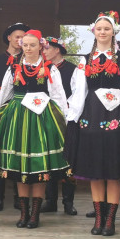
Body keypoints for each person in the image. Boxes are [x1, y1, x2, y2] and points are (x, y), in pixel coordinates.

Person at [65, 12, 120, 236]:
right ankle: (98, 218)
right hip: (91, 112)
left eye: (106, 28)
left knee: (113, 168)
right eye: (99, 28)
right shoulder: (86, 58)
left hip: (117, 113)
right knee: (95, 169)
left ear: (114, 31)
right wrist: (73, 116)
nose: (102, 32)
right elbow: (78, 89)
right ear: (93, 31)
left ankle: (110, 220)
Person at [0, 30, 69, 229]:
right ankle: (24, 212)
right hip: (17, 118)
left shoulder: (49, 68)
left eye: (33, 45)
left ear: (41, 46)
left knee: (39, 166)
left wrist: (63, 121)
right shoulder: (13, 67)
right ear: (21, 46)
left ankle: (35, 214)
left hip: (42, 118)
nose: (29, 48)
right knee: (20, 165)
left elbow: (58, 95)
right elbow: (5, 92)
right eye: (26, 45)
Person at [0, 22, 28, 210]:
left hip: (23, 111)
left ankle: (20, 196)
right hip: (2, 109)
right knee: (1, 150)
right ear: (9, 38)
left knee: (19, 151)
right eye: (17, 36)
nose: (20, 40)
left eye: (23, 37)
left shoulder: (29, 59)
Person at [40, 36, 78, 216]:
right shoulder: (42, 68)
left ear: (57, 50)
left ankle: (68, 202)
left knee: (68, 157)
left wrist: (69, 110)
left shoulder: (72, 69)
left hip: (68, 116)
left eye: (47, 48)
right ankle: (50, 200)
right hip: (48, 117)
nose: (44, 51)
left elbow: (78, 92)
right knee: (49, 155)